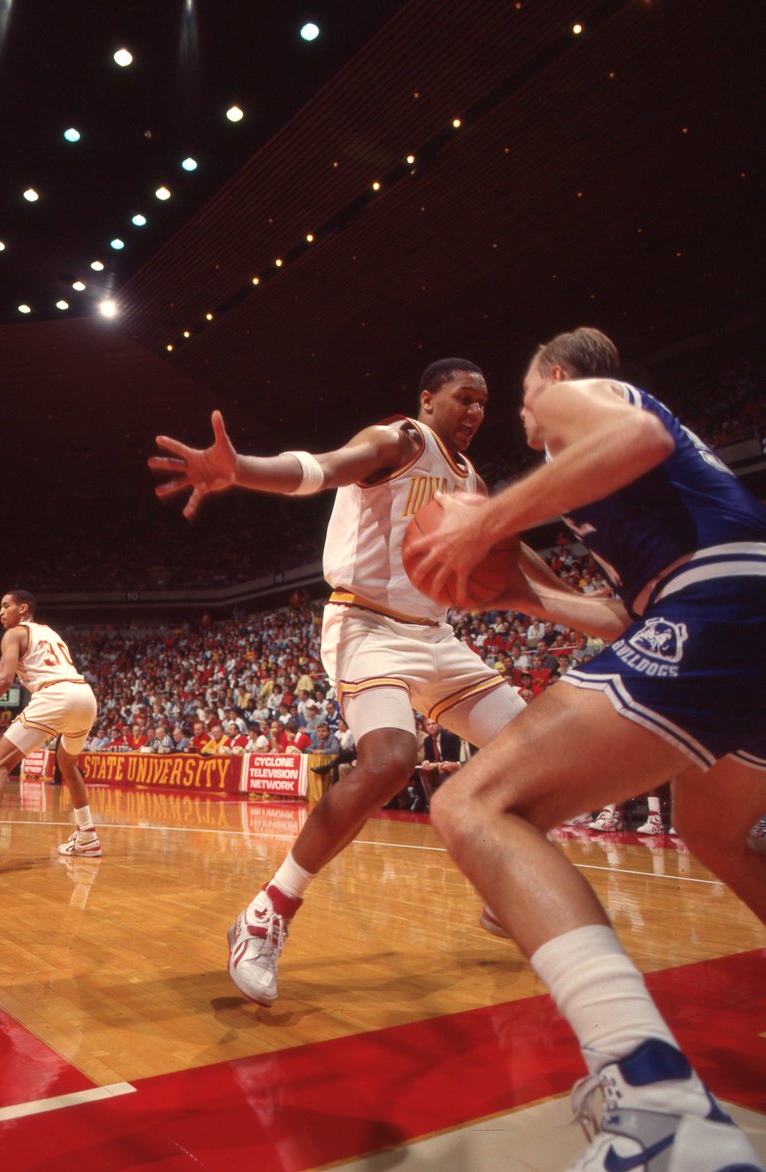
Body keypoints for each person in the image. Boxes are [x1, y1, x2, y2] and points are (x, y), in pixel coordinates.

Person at [407, 327, 766, 1172]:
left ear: (555, 377)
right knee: (717, 832)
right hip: (733, 609)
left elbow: (636, 435)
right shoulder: (623, 494)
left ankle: (657, 1109)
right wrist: (523, 591)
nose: (523, 411)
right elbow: (620, 620)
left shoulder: (580, 401)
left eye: (523, 393)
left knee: (476, 804)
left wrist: (485, 522)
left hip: (719, 602)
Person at [151, 358, 546, 1006]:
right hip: (366, 625)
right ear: (427, 399)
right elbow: (325, 466)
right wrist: (241, 469)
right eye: (463, 398)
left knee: (540, 747)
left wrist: (587, 607)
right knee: (392, 758)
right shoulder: (399, 441)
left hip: (435, 636)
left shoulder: (469, 477)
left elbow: (508, 543)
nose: (475, 411)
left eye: (484, 401)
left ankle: (505, 883)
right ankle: (266, 914)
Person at [0, 590, 100, 872]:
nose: (0, 612)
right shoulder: (50, 633)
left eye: (5, 606)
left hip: (55, 696)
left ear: (22, 609)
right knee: (68, 764)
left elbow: (3, 679)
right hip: (85, 697)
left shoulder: (15, 633)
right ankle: (87, 836)